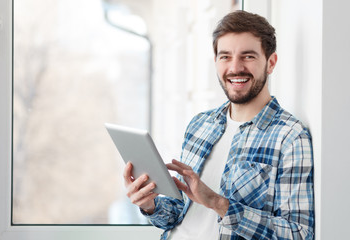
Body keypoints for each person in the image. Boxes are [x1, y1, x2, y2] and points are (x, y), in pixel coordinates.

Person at [123, 10, 314, 240]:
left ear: (270, 63)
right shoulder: (200, 124)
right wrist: (151, 205)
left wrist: (217, 203)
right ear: (216, 62)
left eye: (248, 56)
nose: (235, 68)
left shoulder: (290, 137)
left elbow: (299, 234)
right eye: (225, 56)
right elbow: (179, 214)